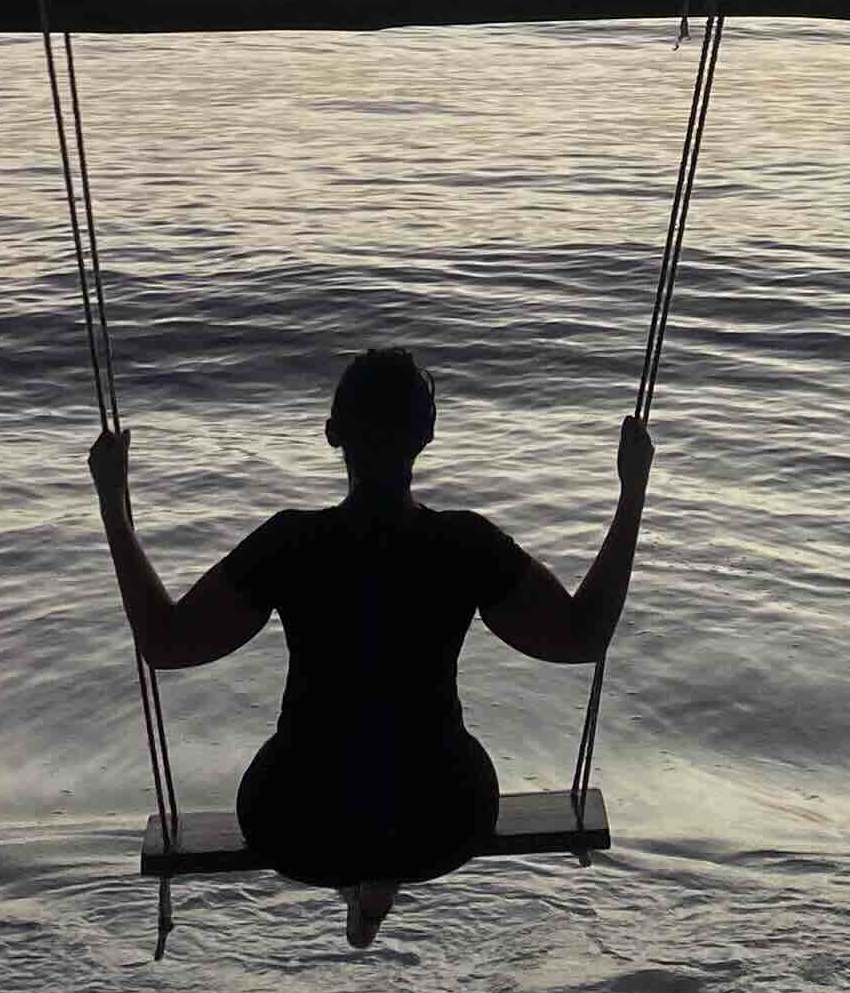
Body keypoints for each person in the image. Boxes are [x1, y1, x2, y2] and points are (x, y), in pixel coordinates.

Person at [88, 344, 652, 948]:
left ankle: (367, 884)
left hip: (298, 824)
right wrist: (632, 492)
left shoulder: (291, 543)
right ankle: (376, 884)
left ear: (333, 434)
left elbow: (167, 644)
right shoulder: (465, 544)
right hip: (440, 821)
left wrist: (114, 505)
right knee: (412, 788)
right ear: (426, 436)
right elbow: (582, 637)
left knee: (338, 794)